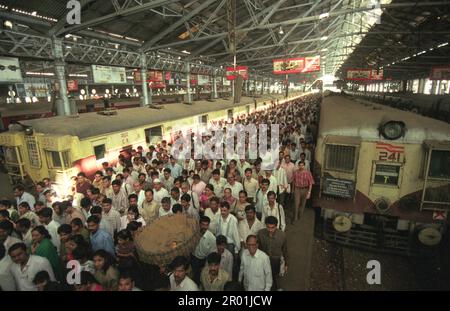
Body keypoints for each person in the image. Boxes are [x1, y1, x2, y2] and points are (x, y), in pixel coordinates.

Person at [257, 216, 288, 291]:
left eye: (272, 227)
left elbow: (285, 250)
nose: (270, 230)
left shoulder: (282, 235)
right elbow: (258, 248)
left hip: (276, 260)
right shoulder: (260, 233)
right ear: (265, 225)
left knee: (275, 277)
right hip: (264, 259)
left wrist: (286, 264)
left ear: (276, 226)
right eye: (268, 227)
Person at [191, 216, 217, 285]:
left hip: (204, 260)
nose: (205, 227)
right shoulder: (193, 233)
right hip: (194, 257)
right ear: (199, 224)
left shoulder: (212, 238)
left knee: (204, 277)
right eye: (203, 224)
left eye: (207, 225)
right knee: (195, 276)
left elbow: (212, 254)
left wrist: (206, 265)